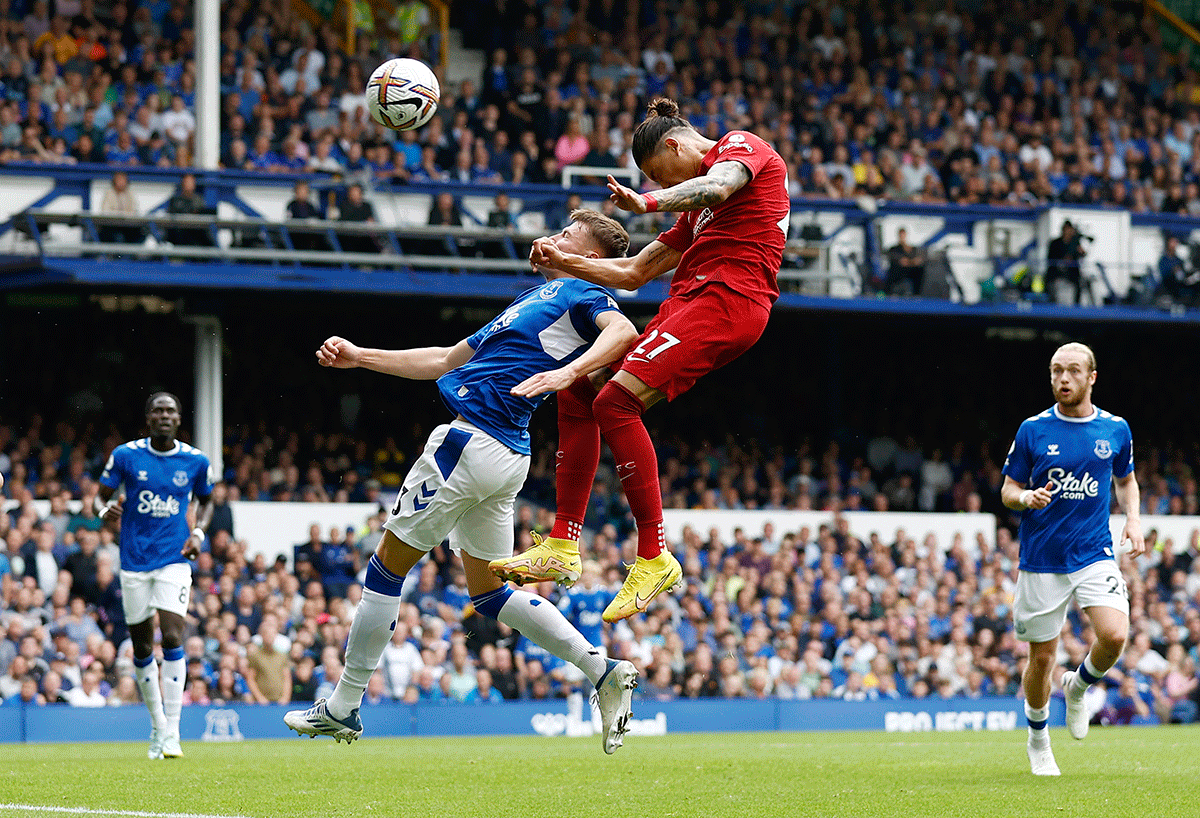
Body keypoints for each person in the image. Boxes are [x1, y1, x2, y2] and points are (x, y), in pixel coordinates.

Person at [284, 210, 642, 754]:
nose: (556, 237)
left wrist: (568, 374)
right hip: (505, 455)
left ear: (591, 258)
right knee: (492, 593)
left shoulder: (582, 294)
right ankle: (602, 670)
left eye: (570, 235)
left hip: (468, 443)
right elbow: (445, 360)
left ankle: (344, 705)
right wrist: (361, 357)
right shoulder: (532, 301)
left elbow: (624, 330)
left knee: (385, 569)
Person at [489, 97, 789, 623]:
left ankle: (654, 555)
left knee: (617, 402)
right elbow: (632, 273)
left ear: (673, 147)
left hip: (728, 300)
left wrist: (648, 203)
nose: (657, 182)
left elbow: (717, 185)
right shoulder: (697, 215)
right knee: (580, 385)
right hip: (691, 302)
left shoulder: (743, 149)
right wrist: (566, 261)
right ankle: (562, 545)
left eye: (655, 172)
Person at [1000, 342, 1142, 776]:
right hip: (1042, 558)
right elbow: (1007, 491)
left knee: (1115, 635)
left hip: (1093, 552)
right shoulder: (1033, 429)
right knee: (1041, 658)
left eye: (1073, 371)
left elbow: (1127, 480)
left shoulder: (1116, 429)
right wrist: (1026, 497)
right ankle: (1038, 739)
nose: (1063, 379)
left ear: (1092, 377)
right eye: (1056, 371)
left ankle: (1077, 687)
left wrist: (1133, 520)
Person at [98, 392, 214, 759]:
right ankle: (157, 727)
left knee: (174, 635)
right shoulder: (126, 455)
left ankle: (174, 731)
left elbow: (207, 500)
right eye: (158, 410)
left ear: (179, 419)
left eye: (171, 411)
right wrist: (105, 512)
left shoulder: (195, 460)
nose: (164, 415)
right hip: (133, 561)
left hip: (174, 559)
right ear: (148, 418)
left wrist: (198, 533)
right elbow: (100, 498)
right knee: (142, 646)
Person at [1044, 220, 1088, 305]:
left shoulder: (1075, 243)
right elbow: (1051, 258)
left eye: (1070, 230)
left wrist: (1080, 251)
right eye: (1067, 229)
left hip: (1072, 274)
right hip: (1057, 273)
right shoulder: (1055, 243)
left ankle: (1075, 306)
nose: (1069, 232)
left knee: (1077, 286)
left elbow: (1081, 254)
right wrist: (1063, 260)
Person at [885, 227, 925, 296]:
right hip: (898, 272)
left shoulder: (912, 249)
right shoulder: (894, 249)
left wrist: (912, 262)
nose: (902, 237)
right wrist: (908, 262)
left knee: (920, 270)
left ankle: (917, 294)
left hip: (910, 271)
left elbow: (917, 260)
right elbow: (899, 260)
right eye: (901, 235)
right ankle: (890, 292)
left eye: (903, 235)